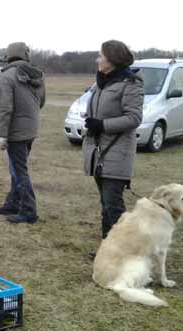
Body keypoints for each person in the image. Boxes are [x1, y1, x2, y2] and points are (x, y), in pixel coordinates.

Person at [83, 40, 144, 257]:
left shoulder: (130, 83)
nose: (97, 59)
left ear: (112, 59)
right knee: (106, 205)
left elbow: (134, 118)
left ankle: (123, 252)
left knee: (113, 206)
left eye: (101, 55)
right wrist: (91, 121)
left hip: (117, 153)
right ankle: (108, 248)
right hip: (99, 152)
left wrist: (103, 125)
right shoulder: (102, 82)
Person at [0, 42, 45, 224]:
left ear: (9, 56)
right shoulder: (35, 75)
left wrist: (1, 135)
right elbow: (41, 102)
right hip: (31, 129)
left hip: (16, 131)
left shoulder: (7, 76)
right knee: (16, 168)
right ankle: (13, 203)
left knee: (19, 170)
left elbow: (5, 107)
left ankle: (29, 211)